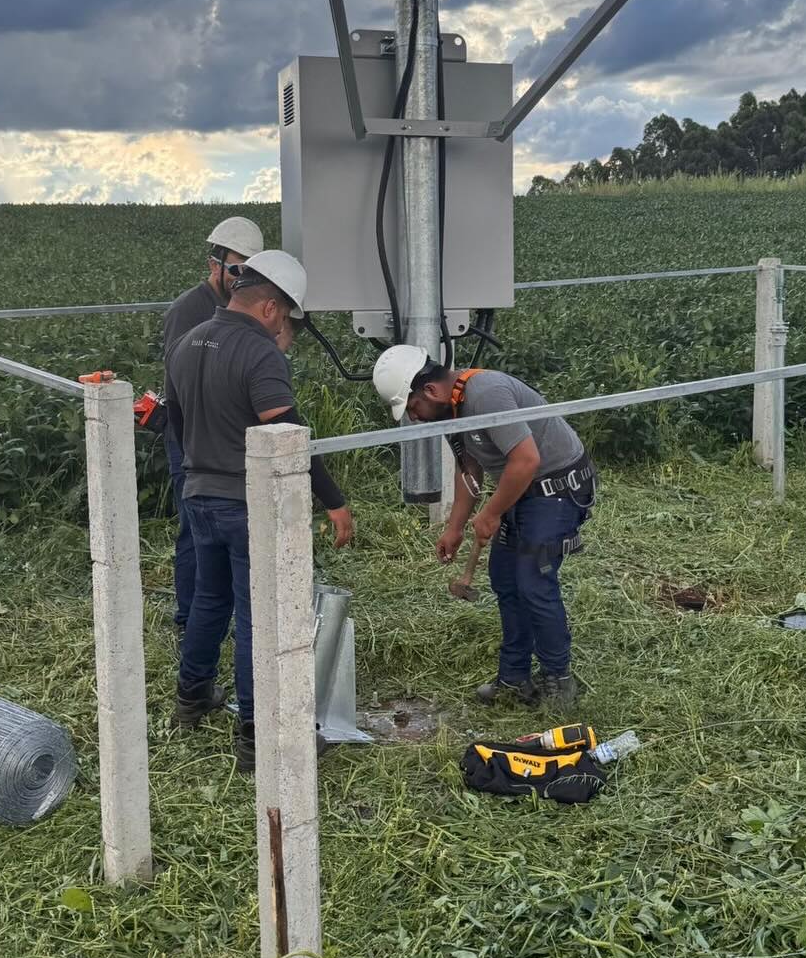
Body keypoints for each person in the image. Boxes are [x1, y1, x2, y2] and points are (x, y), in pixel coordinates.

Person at [168, 250, 354, 768]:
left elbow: (175, 423)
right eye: (285, 317)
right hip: (245, 502)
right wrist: (334, 502)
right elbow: (288, 436)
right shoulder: (259, 353)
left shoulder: (187, 342)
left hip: (198, 495)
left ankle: (191, 698)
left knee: (210, 599)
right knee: (259, 616)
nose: (282, 330)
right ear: (271, 307)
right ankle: (259, 733)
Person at [372, 346, 595, 709]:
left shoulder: (486, 395)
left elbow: (526, 460)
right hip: (522, 488)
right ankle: (514, 678)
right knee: (505, 579)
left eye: (412, 407)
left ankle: (558, 678)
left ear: (430, 390)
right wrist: (455, 527)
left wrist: (491, 514)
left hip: (556, 488)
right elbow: (470, 469)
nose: (414, 417)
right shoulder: (452, 408)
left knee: (533, 581)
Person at [160, 216, 265, 649]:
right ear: (214, 265)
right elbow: (178, 384)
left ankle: (217, 616)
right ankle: (190, 618)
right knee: (194, 529)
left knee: (226, 532)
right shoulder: (189, 310)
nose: (243, 278)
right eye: (237, 268)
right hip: (193, 438)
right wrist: (192, 445)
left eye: (250, 270)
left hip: (230, 439)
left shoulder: (247, 309)